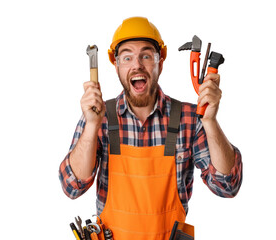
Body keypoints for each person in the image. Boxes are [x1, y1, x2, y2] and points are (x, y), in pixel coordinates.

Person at [59, 16, 242, 239]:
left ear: (160, 63)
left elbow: (227, 186)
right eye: (127, 57)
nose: (137, 64)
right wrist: (91, 126)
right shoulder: (98, 117)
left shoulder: (189, 118)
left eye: (146, 56)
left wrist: (210, 121)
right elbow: (71, 187)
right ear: (116, 65)